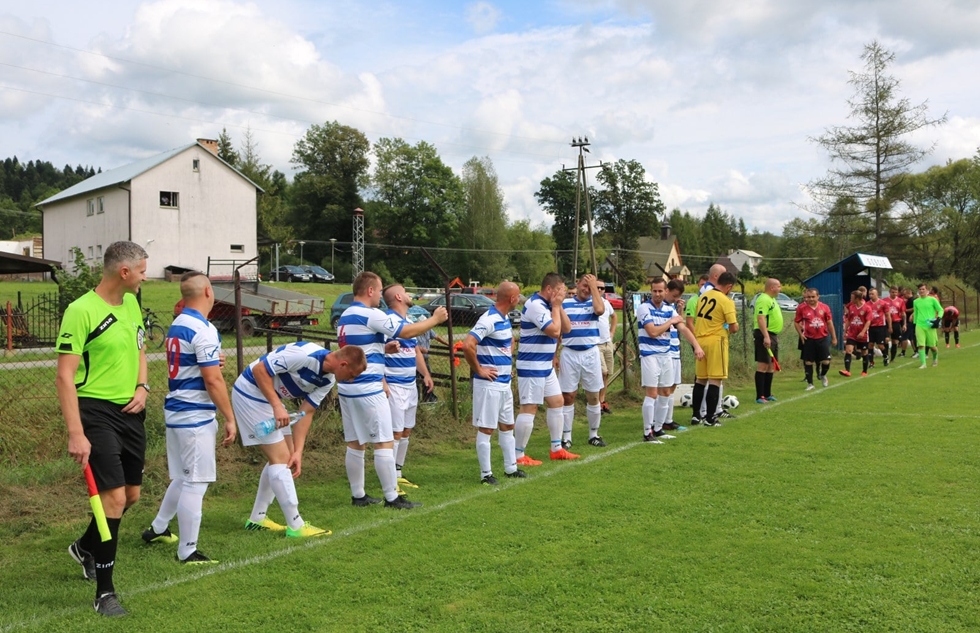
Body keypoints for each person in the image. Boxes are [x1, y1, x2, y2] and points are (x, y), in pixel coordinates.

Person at [57, 241, 149, 617]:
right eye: (142, 270)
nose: (146, 276)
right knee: (111, 500)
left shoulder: (131, 303)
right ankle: (104, 594)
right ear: (123, 272)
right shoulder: (81, 311)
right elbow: (64, 377)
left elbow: (141, 349)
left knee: (131, 497)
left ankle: (84, 546)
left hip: (131, 411)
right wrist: (76, 432)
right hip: (94, 412)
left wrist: (143, 386)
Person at [142, 272, 237, 566]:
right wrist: (230, 417)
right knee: (196, 481)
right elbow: (213, 381)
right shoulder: (203, 328)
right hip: (194, 413)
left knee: (183, 476)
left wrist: (212, 361)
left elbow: (194, 362)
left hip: (177, 409)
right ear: (208, 291)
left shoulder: (179, 323)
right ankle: (187, 550)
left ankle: (157, 529)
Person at [337, 272, 447, 509]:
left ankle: (358, 496)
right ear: (369, 291)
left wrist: (382, 348)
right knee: (385, 442)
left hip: (347, 387)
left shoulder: (346, 315)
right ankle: (392, 497)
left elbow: (356, 351)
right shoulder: (370, 313)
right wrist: (435, 319)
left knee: (356, 443)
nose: (379, 298)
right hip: (368, 387)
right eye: (377, 292)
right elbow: (406, 332)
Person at [233, 342, 366, 535]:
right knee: (279, 459)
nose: (351, 380)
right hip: (250, 393)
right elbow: (260, 370)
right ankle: (296, 525)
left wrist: (298, 452)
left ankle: (257, 519)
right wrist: (277, 405)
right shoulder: (305, 355)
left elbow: (307, 413)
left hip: (267, 399)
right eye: (352, 375)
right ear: (343, 364)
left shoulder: (328, 380)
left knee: (286, 458)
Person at [462, 281, 527, 484]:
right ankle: (486, 474)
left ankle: (510, 468)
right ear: (512, 299)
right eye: (518, 296)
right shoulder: (489, 319)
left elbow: (504, 345)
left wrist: (507, 365)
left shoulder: (504, 318)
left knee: (507, 425)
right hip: (489, 385)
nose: (519, 299)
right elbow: (468, 344)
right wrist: (479, 369)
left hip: (504, 383)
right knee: (487, 428)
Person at [381, 284, 437, 490]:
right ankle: (389, 480)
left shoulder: (409, 322)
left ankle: (398, 472)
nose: (409, 295)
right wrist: (383, 381)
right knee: (394, 433)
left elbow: (415, 351)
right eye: (405, 292)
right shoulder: (388, 322)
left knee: (406, 430)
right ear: (398, 296)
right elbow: (376, 352)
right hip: (394, 386)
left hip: (410, 384)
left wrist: (426, 374)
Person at [515, 273, 573, 464]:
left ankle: (556, 449)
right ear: (550, 289)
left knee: (557, 401)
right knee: (529, 408)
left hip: (545, 365)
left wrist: (558, 306)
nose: (562, 295)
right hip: (532, 365)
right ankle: (518, 455)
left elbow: (566, 329)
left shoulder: (550, 305)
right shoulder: (535, 305)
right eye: (560, 291)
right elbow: (554, 331)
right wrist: (556, 306)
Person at [638, 278, 704, 442]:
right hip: (649, 355)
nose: (658, 294)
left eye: (661, 291)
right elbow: (652, 332)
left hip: (666, 355)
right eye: (655, 291)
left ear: (666, 291)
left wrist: (697, 346)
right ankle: (648, 432)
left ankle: (659, 428)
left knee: (666, 392)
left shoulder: (669, 309)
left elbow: (682, 327)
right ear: (651, 291)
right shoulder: (644, 308)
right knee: (652, 394)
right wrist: (670, 322)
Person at [558, 274, 606, 448]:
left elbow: (600, 311)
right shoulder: (565, 303)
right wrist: (554, 355)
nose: (586, 289)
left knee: (593, 395)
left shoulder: (595, 302)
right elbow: (557, 331)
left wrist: (594, 288)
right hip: (570, 353)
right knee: (568, 395)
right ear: (577, 284)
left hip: (590, 353)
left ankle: (594, 434)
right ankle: (566, 437)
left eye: (590, 287)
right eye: (584, 285)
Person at [691, 271, 739, 427]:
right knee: (715, 380)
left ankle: (696, 415)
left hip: (700, 340)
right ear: (729, 286)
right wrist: (729, 326)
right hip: (716, 340)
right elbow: (733, 327)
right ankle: (711, 418)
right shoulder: (726, 300)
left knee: (700, 379)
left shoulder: (703, 296)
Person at [794, 288, 837, 390]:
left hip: (822, 337)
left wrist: (834, 337)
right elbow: (796, 322)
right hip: (809, 338)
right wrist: (800, 334)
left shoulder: (825, 307)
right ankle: (810, 384)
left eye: (813, 297)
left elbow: (830, 323)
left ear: (818, 296)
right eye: (808, 297)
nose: (811, 299)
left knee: (826, 361)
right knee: (808, 362)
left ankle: (823, 375)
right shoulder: (801, 308)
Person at [664, 279, 690, 430]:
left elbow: (679, 326)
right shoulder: (661, 307)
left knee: (673, 386)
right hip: (665, 351)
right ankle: (661, 420)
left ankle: (668, 419)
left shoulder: (672, 308)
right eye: (674, 296)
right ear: (667, 290)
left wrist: (680, 310)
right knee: (664, 387)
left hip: (675, 349)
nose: (675, 299)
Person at [753, 278, 783, 403]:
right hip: (764, 334)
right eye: (779, 286)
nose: (780, 289)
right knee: (763, 364)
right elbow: (761, 318)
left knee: (771, 365)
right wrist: (766, 336)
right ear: (772, 287)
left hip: (772, 335)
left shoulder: (772, 300)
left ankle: (767, 393)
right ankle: (760, 396)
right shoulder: (763, 299)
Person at [596, 280, 618, 415]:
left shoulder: (606, 303)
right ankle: (595, 402)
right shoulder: (590, 303)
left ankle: (602, 400)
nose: (599, 290)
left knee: (608, 372)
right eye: (597, 287)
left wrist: (612, 332)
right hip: (596, 344)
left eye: (602, 288)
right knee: (602, 372)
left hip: (607, 342)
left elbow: (614, 316)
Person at [839, 289, 872, 377]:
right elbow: (849, 320)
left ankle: (864, 371)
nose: (850, 300)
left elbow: (868, 321)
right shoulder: (852, 307)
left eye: (852, 298)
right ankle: (847, 371)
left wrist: (862, 332)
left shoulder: (867, 308)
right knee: (848, 350)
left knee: (864, 352)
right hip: (852, 333)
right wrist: (845, 331)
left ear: (857, 298)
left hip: (863, 335)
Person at [912, 283, 943, 368]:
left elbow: (940, 310)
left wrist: (938, 319)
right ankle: (923, 364)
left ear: (927, 290)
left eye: (923, 289)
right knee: (921, 345)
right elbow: (916, 313)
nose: (921, 291)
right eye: (920, 289)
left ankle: (935, 359)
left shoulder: (932, 300)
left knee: (932, 346)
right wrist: (915, 324)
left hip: (930, 325)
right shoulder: (916, 301)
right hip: (919, 325)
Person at [865, 288, 890, 367]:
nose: (871, 295)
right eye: (870, 294)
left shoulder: (883, 303)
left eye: (873, 294)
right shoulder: (867, 304)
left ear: (877, 294)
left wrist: (889, 327)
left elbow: (887, 315)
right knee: (870, 344)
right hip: (870, 327)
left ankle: (885, 356)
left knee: (880, 345)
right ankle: (871, 362)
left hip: (880, 327)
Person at [887, 286, 907, 362]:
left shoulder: (900, 301)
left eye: (896, 292)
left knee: (895, 341)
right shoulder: (884, 301)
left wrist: (904, 324)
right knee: (886, 339)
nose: (894, 294)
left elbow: (903, 313)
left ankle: (892, 358)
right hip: (886, 322)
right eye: (892, 292)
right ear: (889, 292)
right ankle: (886, 356)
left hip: (896, 322)